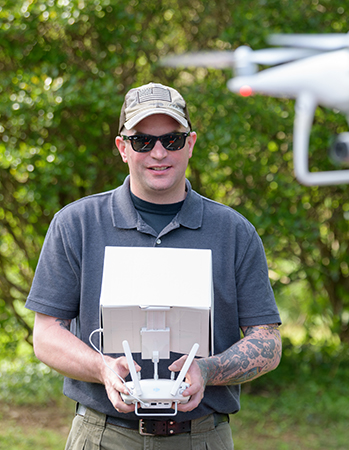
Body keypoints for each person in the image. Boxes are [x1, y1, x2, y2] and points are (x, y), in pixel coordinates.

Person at [25, 82, 282, 449]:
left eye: (172, 140)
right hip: (103, 435)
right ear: (122, 148)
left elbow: (268, 341)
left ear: (190, 144)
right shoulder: (77, 224)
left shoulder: (234, 232)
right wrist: (102, 369)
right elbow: (46, 334)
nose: (158, 153)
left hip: (201, 437)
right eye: (143, 141)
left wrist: (207, 371)